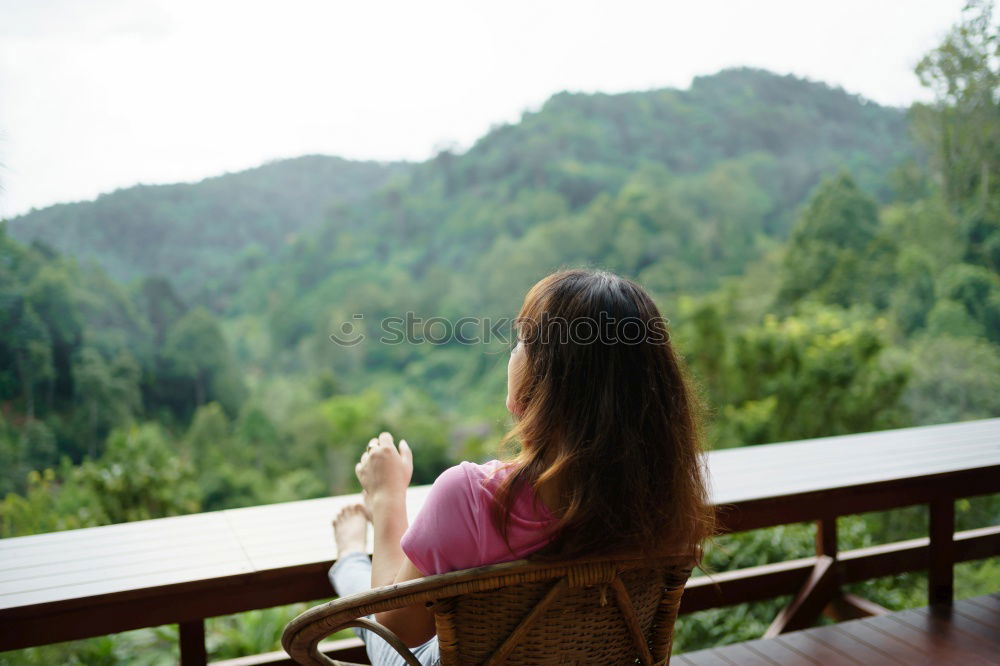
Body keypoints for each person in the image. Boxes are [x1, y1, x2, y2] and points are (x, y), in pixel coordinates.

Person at [328, 269, 714, 666]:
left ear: (545, 381)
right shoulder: (668, 497)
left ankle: (349, 558)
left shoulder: (471, 498)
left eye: (521, 342)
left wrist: (386, 498)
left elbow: (397, 632)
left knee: (367, 601)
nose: (512, 354)